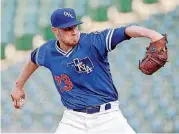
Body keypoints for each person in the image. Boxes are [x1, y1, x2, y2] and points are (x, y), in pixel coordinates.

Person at [11, 8, 163, 134]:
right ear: (55, 31)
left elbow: (126, 31)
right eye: (67, 28)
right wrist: (19, 85)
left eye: (75, 26)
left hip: (108, 117)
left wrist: (152, 34)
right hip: (73, 119)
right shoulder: (47, 51)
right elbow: (32, 60)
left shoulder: (94, 41)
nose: (74, 31)